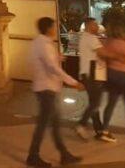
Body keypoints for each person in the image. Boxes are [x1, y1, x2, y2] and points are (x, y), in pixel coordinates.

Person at [26, 17, 82, 167]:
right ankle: (33, 155)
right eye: (53, 26)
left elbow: (41, 62)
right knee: (44, 124)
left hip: (46, 87)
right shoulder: (43, 44)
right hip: (46, 88)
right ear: (48, 28)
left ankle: (64, 154)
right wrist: (73, 82)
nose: (55, 29)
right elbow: (52, 67)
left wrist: (57, 58)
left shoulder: (39, 42)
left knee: (53, 123)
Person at [74, 18, 109, 142]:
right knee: (95, 103)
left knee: (94, 102)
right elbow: (103, 53)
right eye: (95, 25)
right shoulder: (91, 38)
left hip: (86, 73)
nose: (97, 27)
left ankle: (99, 130)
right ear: (89, 26)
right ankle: (81, 124)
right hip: (93, 74)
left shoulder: (84, 37)